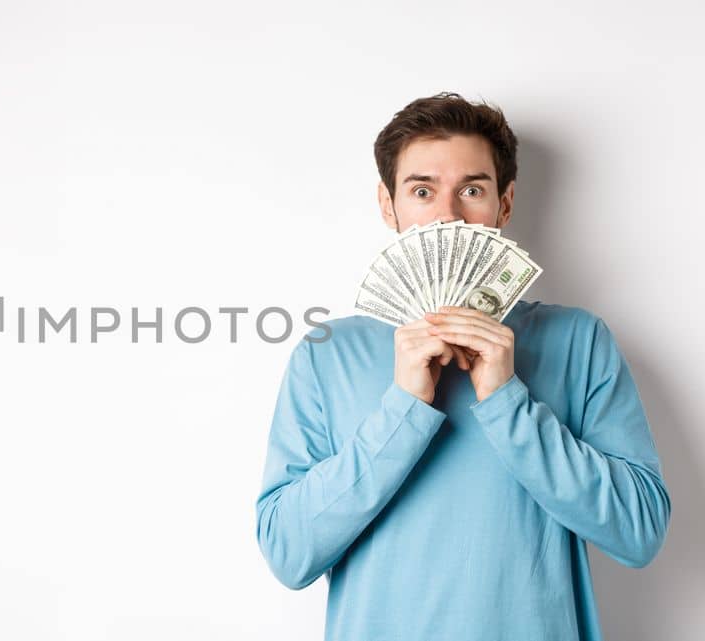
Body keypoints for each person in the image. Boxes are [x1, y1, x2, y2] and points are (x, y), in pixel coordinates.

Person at [254, 92, 671, 641]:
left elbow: (638, 532)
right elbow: (288, 552)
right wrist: (402, 408)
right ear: (389, 205)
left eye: (471, 190)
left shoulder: (578, 341)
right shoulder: (329, 352)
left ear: (505, 203)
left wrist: (506, 400)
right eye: (422, 191)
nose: (448, 215)